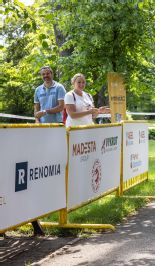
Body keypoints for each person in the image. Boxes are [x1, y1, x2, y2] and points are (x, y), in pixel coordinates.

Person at [32, 66, 67, 236]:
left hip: (57, 126)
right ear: (41, 75)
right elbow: (35, 110)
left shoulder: (59, 87)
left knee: (56, 159)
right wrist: (37, 123)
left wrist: (45, 111)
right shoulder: (38, 89)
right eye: (43, 74)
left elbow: (61, 107)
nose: (46, 76)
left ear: (52, 74)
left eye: (48, 73)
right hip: (43, 128)